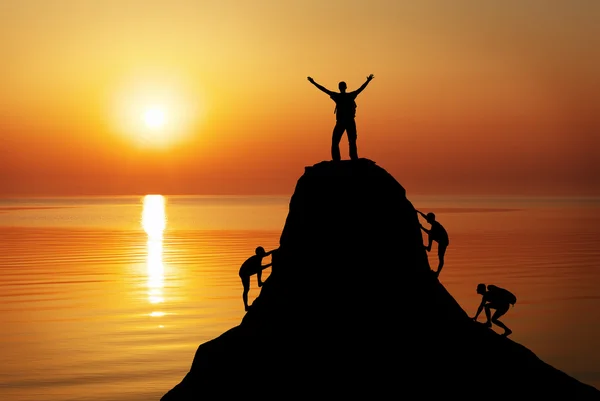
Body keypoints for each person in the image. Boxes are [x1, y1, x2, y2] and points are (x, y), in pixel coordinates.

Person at [307, 74, 375, 161]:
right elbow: (361, 89)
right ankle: (353, 158)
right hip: (349, 122)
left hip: (342, 122)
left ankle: (337, 159)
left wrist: (313, 82)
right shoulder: (350, 95)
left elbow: (324, 89)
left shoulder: (338, 96)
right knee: (351, 141)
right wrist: (368, 81)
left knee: (336, 141)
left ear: (339, 88)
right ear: (346, 87)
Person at [239, 246, 273, 311]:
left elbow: (267, 254)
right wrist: (270, 264)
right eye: (262, 252)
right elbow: (260, 268)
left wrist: (276, 250)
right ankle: (246, 306)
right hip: (244, 273)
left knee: (259, 269)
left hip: (248, 270)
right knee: (246, 289)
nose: (263, 253)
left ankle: (259, 282)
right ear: (258, 253)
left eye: (263, 251)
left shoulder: (260, 256)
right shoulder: (256, 259)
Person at [416, 210, 449, 277]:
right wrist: (419, 213)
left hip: (443, 242)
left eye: (428, 218)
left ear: (430, 219)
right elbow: (426, 217)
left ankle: (437, 273)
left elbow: (429, 232)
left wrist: (421, 227)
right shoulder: (433, 222)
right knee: (431, 235)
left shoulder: (435, 226)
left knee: (441, 257)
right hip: (440, 239)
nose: (426, 220)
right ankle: (429, 247)